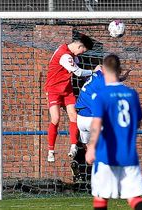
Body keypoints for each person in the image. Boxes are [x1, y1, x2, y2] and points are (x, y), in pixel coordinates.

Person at [86, 54, 142, 210]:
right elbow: (138, 121)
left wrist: (91, 148)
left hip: (105, 155)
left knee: (101, 197)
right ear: (120, 71)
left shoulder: (101, 96)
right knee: (135, 198)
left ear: (104, 72)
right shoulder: (132, 94)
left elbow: (96, 122)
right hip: (128, 155)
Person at [44, 33, 94, 162]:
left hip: (66, 90)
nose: (81, 53)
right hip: (54, 89)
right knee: (55, 118)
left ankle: (73, 147)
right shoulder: (65, 55)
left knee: (74, 116)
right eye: (83, 51)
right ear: (79, 46)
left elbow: (77, 70)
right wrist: (95, 72)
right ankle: (50, 150)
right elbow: (78, 72)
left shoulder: (69, 52)